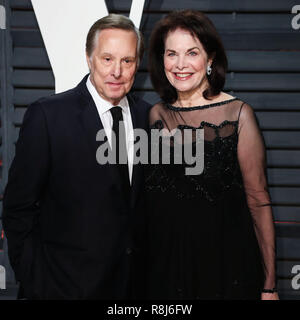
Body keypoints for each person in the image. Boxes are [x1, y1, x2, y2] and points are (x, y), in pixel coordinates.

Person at [2, 14, 150, 299]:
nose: (116, 71)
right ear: (89, 58)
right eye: (107, 59)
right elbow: (17, 208)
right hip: (62, 289)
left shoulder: (149, 117)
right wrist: (37, 283)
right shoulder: (48, 116)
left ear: (137, 64)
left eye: (127, 61)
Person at [144, 10, 278, 300]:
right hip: (165, 272)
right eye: (171, 54)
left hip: (226, 269)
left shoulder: (238, 115)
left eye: (192, 53)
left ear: (210, 59)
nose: (180, 64)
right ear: (161, 59)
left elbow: (258, 200)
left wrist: (269, 286)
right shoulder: (155, 114)